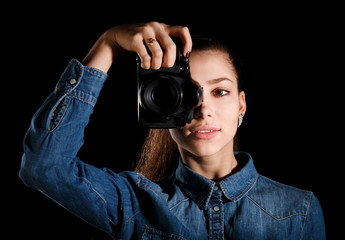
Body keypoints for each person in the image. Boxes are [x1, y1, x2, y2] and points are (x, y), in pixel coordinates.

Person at [20, 22, 325, 239]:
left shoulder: (298, 211)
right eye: (187, 93)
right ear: (163, 108)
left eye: (220, 92)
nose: (203, 109)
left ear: (241, 105)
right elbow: (45, 167)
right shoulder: (135, 203)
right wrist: (108, 43)